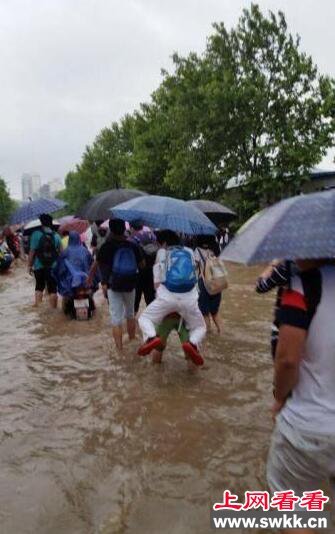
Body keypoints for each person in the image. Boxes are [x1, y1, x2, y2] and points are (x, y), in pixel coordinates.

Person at [267, 259, 335, 534]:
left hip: (309, 423)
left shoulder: (303, 285)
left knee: (292, 509)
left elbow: (287, 360)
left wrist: (280, 397)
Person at [137, 230, 206, 366]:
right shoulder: (189, 251)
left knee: (145, 320)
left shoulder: (162, 253)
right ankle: (193, 344)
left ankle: (151, 338)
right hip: (188, 304)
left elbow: (156, 284)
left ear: (164, 243)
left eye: (158, 242)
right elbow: (195, 277)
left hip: (167, 307)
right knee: (200, 327)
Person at [89, 218, 144, 351]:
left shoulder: (106, 246)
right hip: (130, 284)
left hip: (113, 285)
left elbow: (97, 264)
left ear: (111, 230)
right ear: (124, 229)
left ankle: (119, 350)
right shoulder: (133, 245)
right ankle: (131, 341)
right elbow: (142, 265)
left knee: (116, 318)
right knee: (130, 314)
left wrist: (90, 277)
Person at [54, 231, 96, 318]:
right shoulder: (85, 251)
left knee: (65, 301)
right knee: (91, 299)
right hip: (86, 282)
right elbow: (93, 267)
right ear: (79, 239)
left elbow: (59, 270)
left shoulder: (64, 252)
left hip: (71, 285)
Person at [28, 213, 62, 307]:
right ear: (51, 223)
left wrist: (29, 265)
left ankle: (39, 310)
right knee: (52, 289)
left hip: (39, 266)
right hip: (52, 266)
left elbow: (32, 252)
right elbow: (61, 253)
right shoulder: (56, 235)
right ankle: (53, 310)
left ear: (41, 222)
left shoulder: (35, 234)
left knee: (39, 287)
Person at [194, 234, 223, 333]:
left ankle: (209, 337)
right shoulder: (216, 249)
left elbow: (195, 266)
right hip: (217, 283)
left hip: (204, 284)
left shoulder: (198, 250)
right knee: (215, 312)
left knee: (205, 313)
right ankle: (221, 332)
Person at [129, 221, 157, 314]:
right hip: (151, 271)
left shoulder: (131, 239)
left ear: (132, 228)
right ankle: (153, 321)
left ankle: (133, 321)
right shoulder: (152, 236)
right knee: (151, 297)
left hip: (137, 272)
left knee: (135, 299)